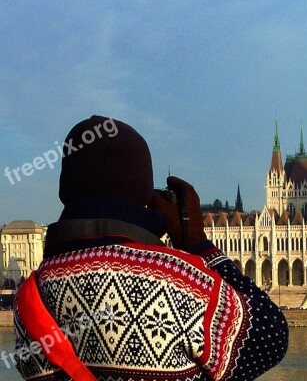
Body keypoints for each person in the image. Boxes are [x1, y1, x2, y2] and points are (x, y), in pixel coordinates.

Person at [13, 116, 288, 380]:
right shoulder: (176, 279)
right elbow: (271, 337)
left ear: (66, 190)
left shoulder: (28, 300)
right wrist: (198, 244)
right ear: (145, 193)